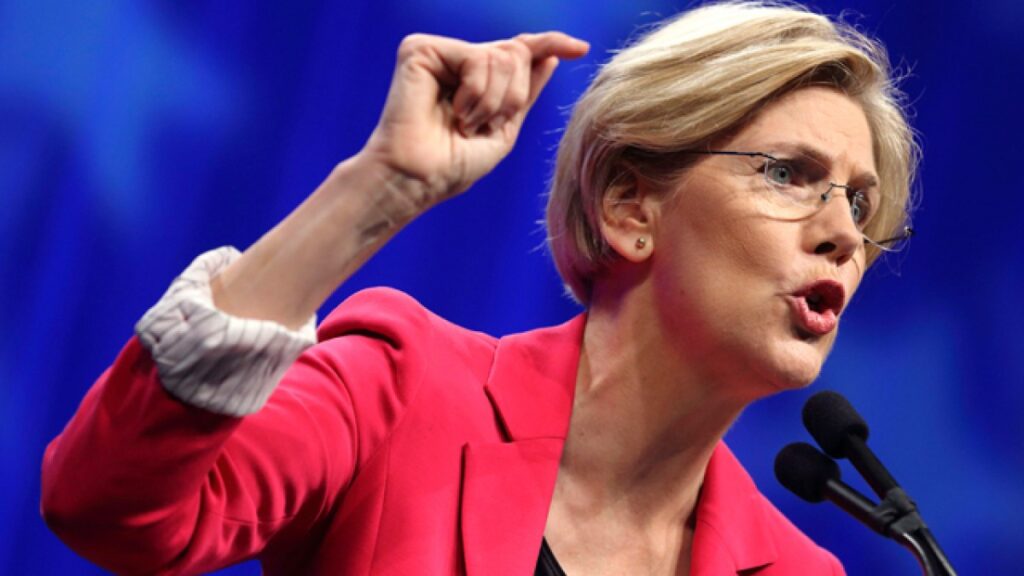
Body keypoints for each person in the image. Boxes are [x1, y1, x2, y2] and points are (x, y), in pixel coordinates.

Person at [41, 2, 917, 575]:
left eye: (860, 203)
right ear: (629, 207)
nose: (844, 234)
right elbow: (110, 506)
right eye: (788, 174)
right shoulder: (402, 389)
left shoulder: (798, 568)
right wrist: (382, 188)